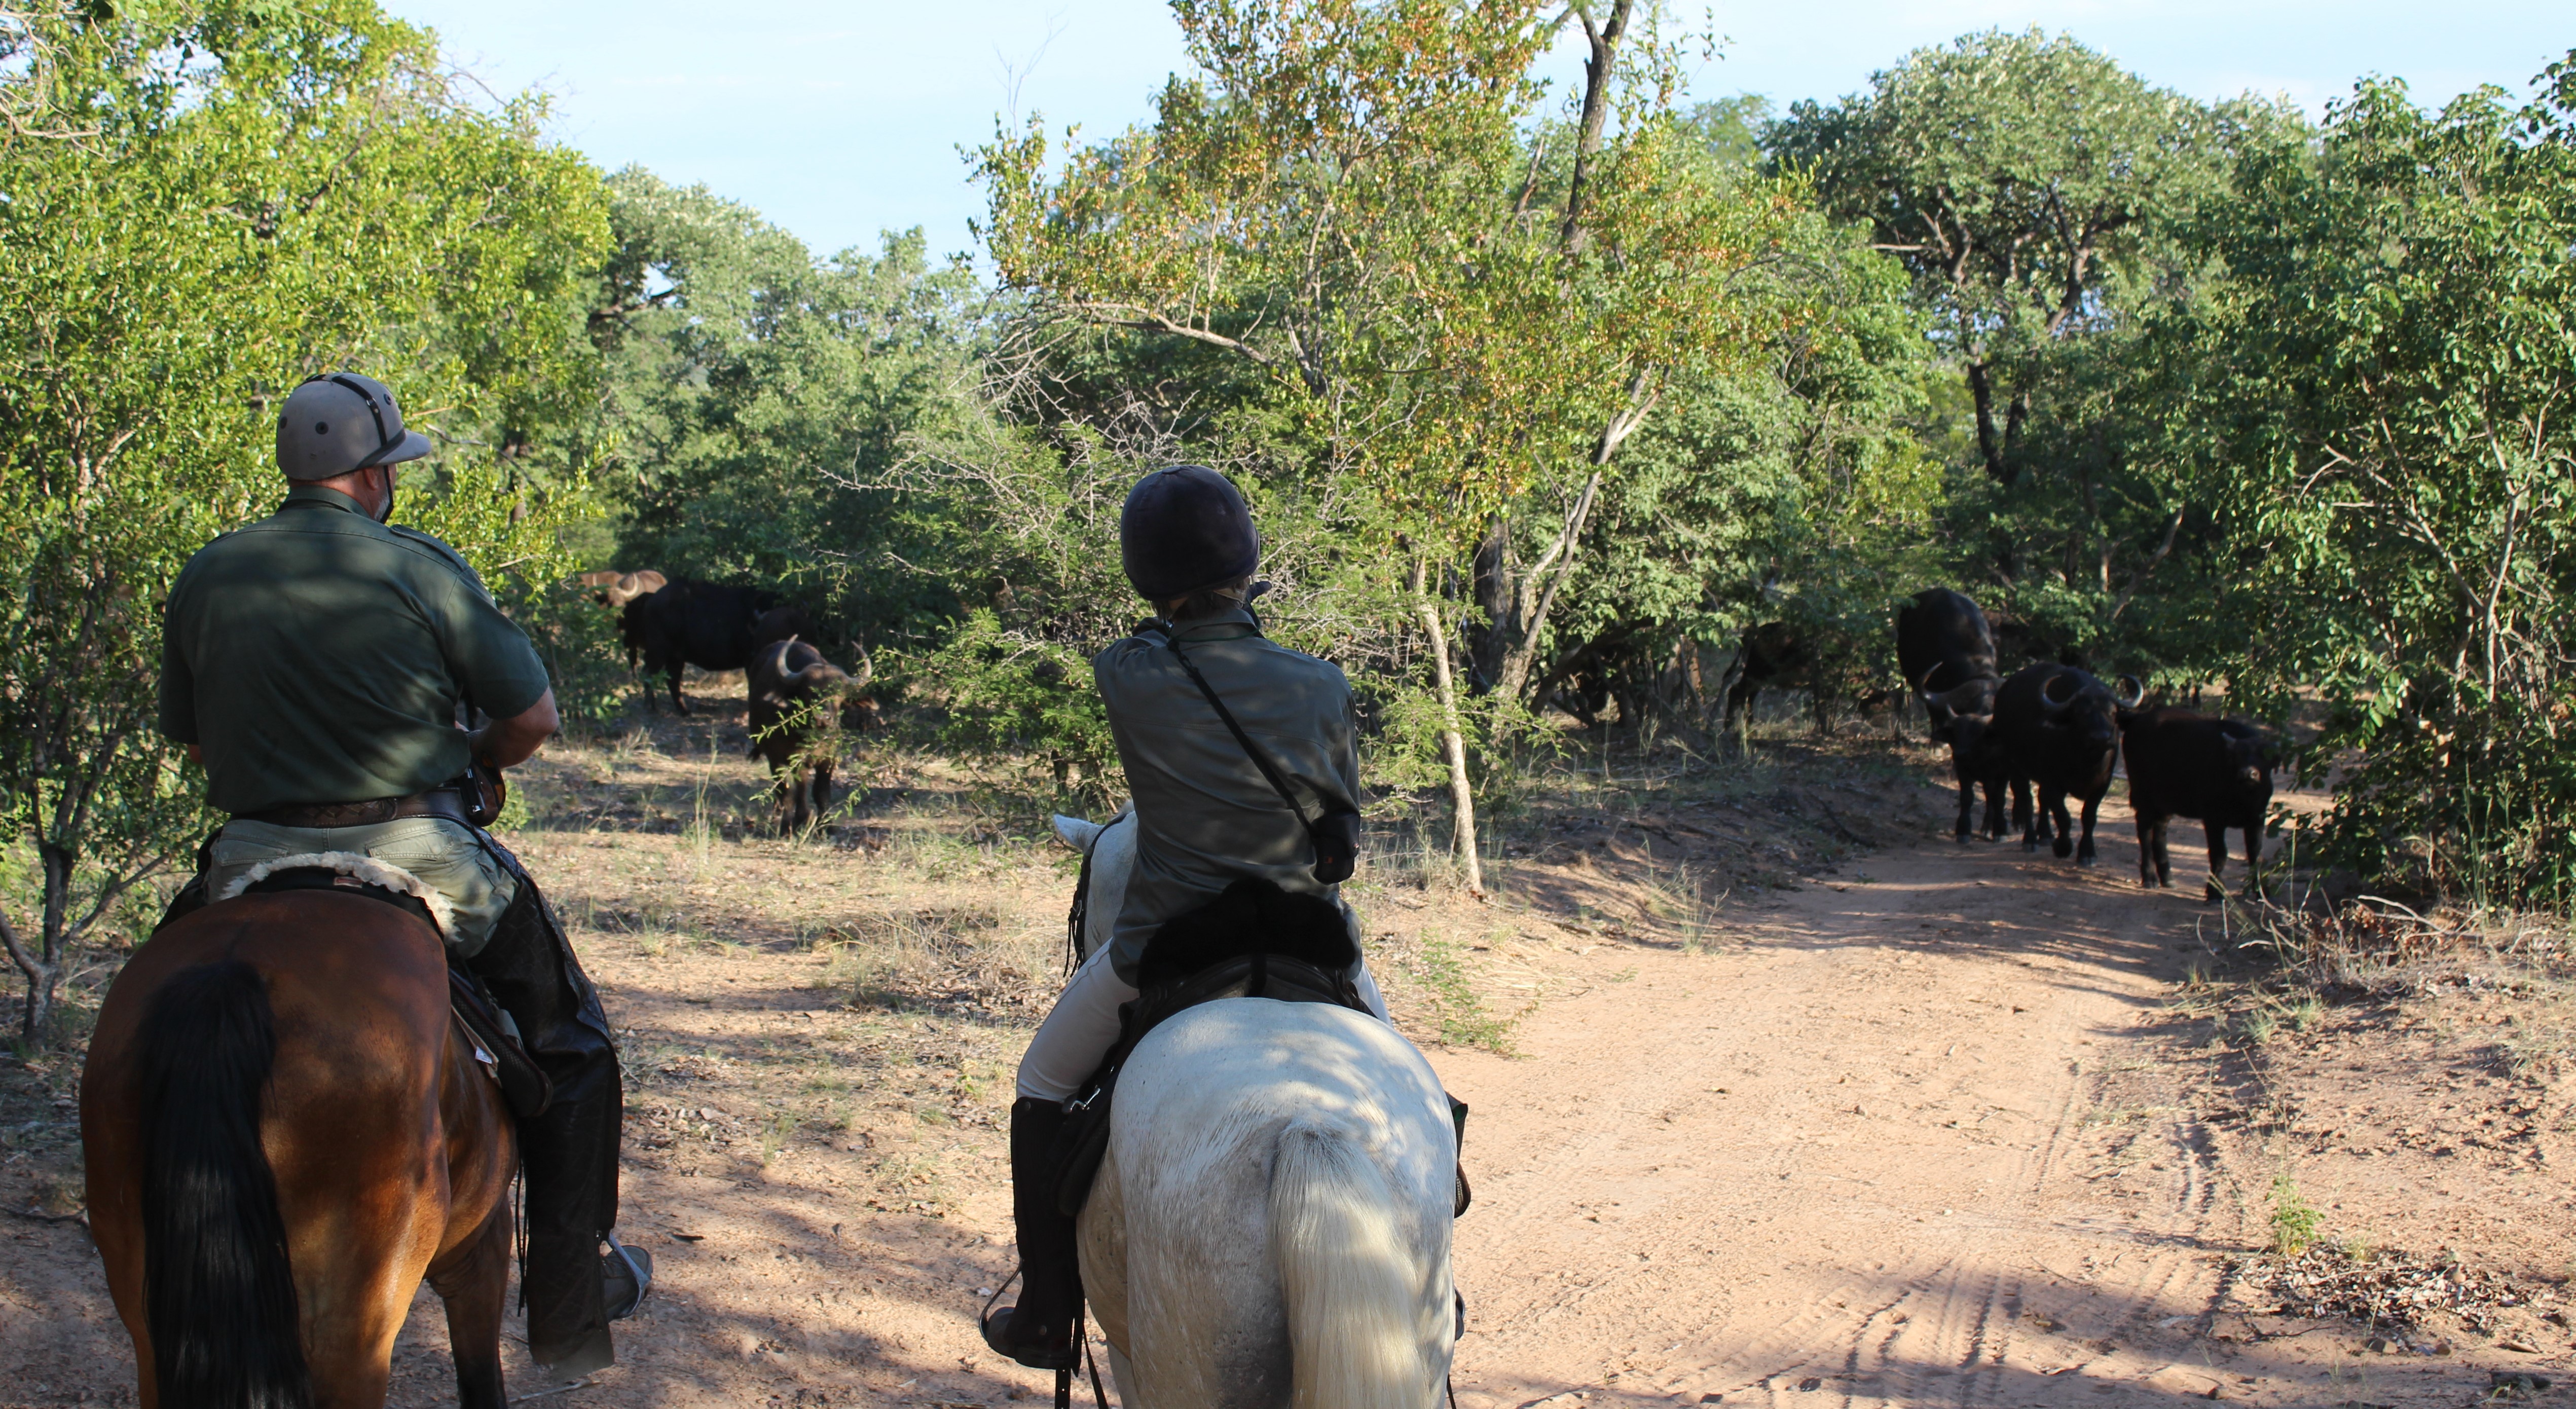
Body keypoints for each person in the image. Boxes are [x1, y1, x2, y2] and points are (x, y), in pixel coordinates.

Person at [155, 371, 645, 1378]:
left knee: (156, 1004)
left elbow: (196, 745)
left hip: (247, 859)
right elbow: (532, 720)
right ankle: (570, 1288)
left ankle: (130, 1205)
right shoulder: (417, 568)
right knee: (577, 1046)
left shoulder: (208, 573)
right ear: (375, 477)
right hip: (418, 856)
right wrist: (473, 754)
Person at [981, 464, 1392, 1370]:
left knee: (1041, 1087)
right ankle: (1425, 1277)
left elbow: (1153, 643)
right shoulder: (1321, 684)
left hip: (1166, 944)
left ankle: (1048, 1311)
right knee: (1410, 1086)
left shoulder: (1128, 673)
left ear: (1145, 579)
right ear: (1250, 562)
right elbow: (1339, 837)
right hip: (1311, 943)